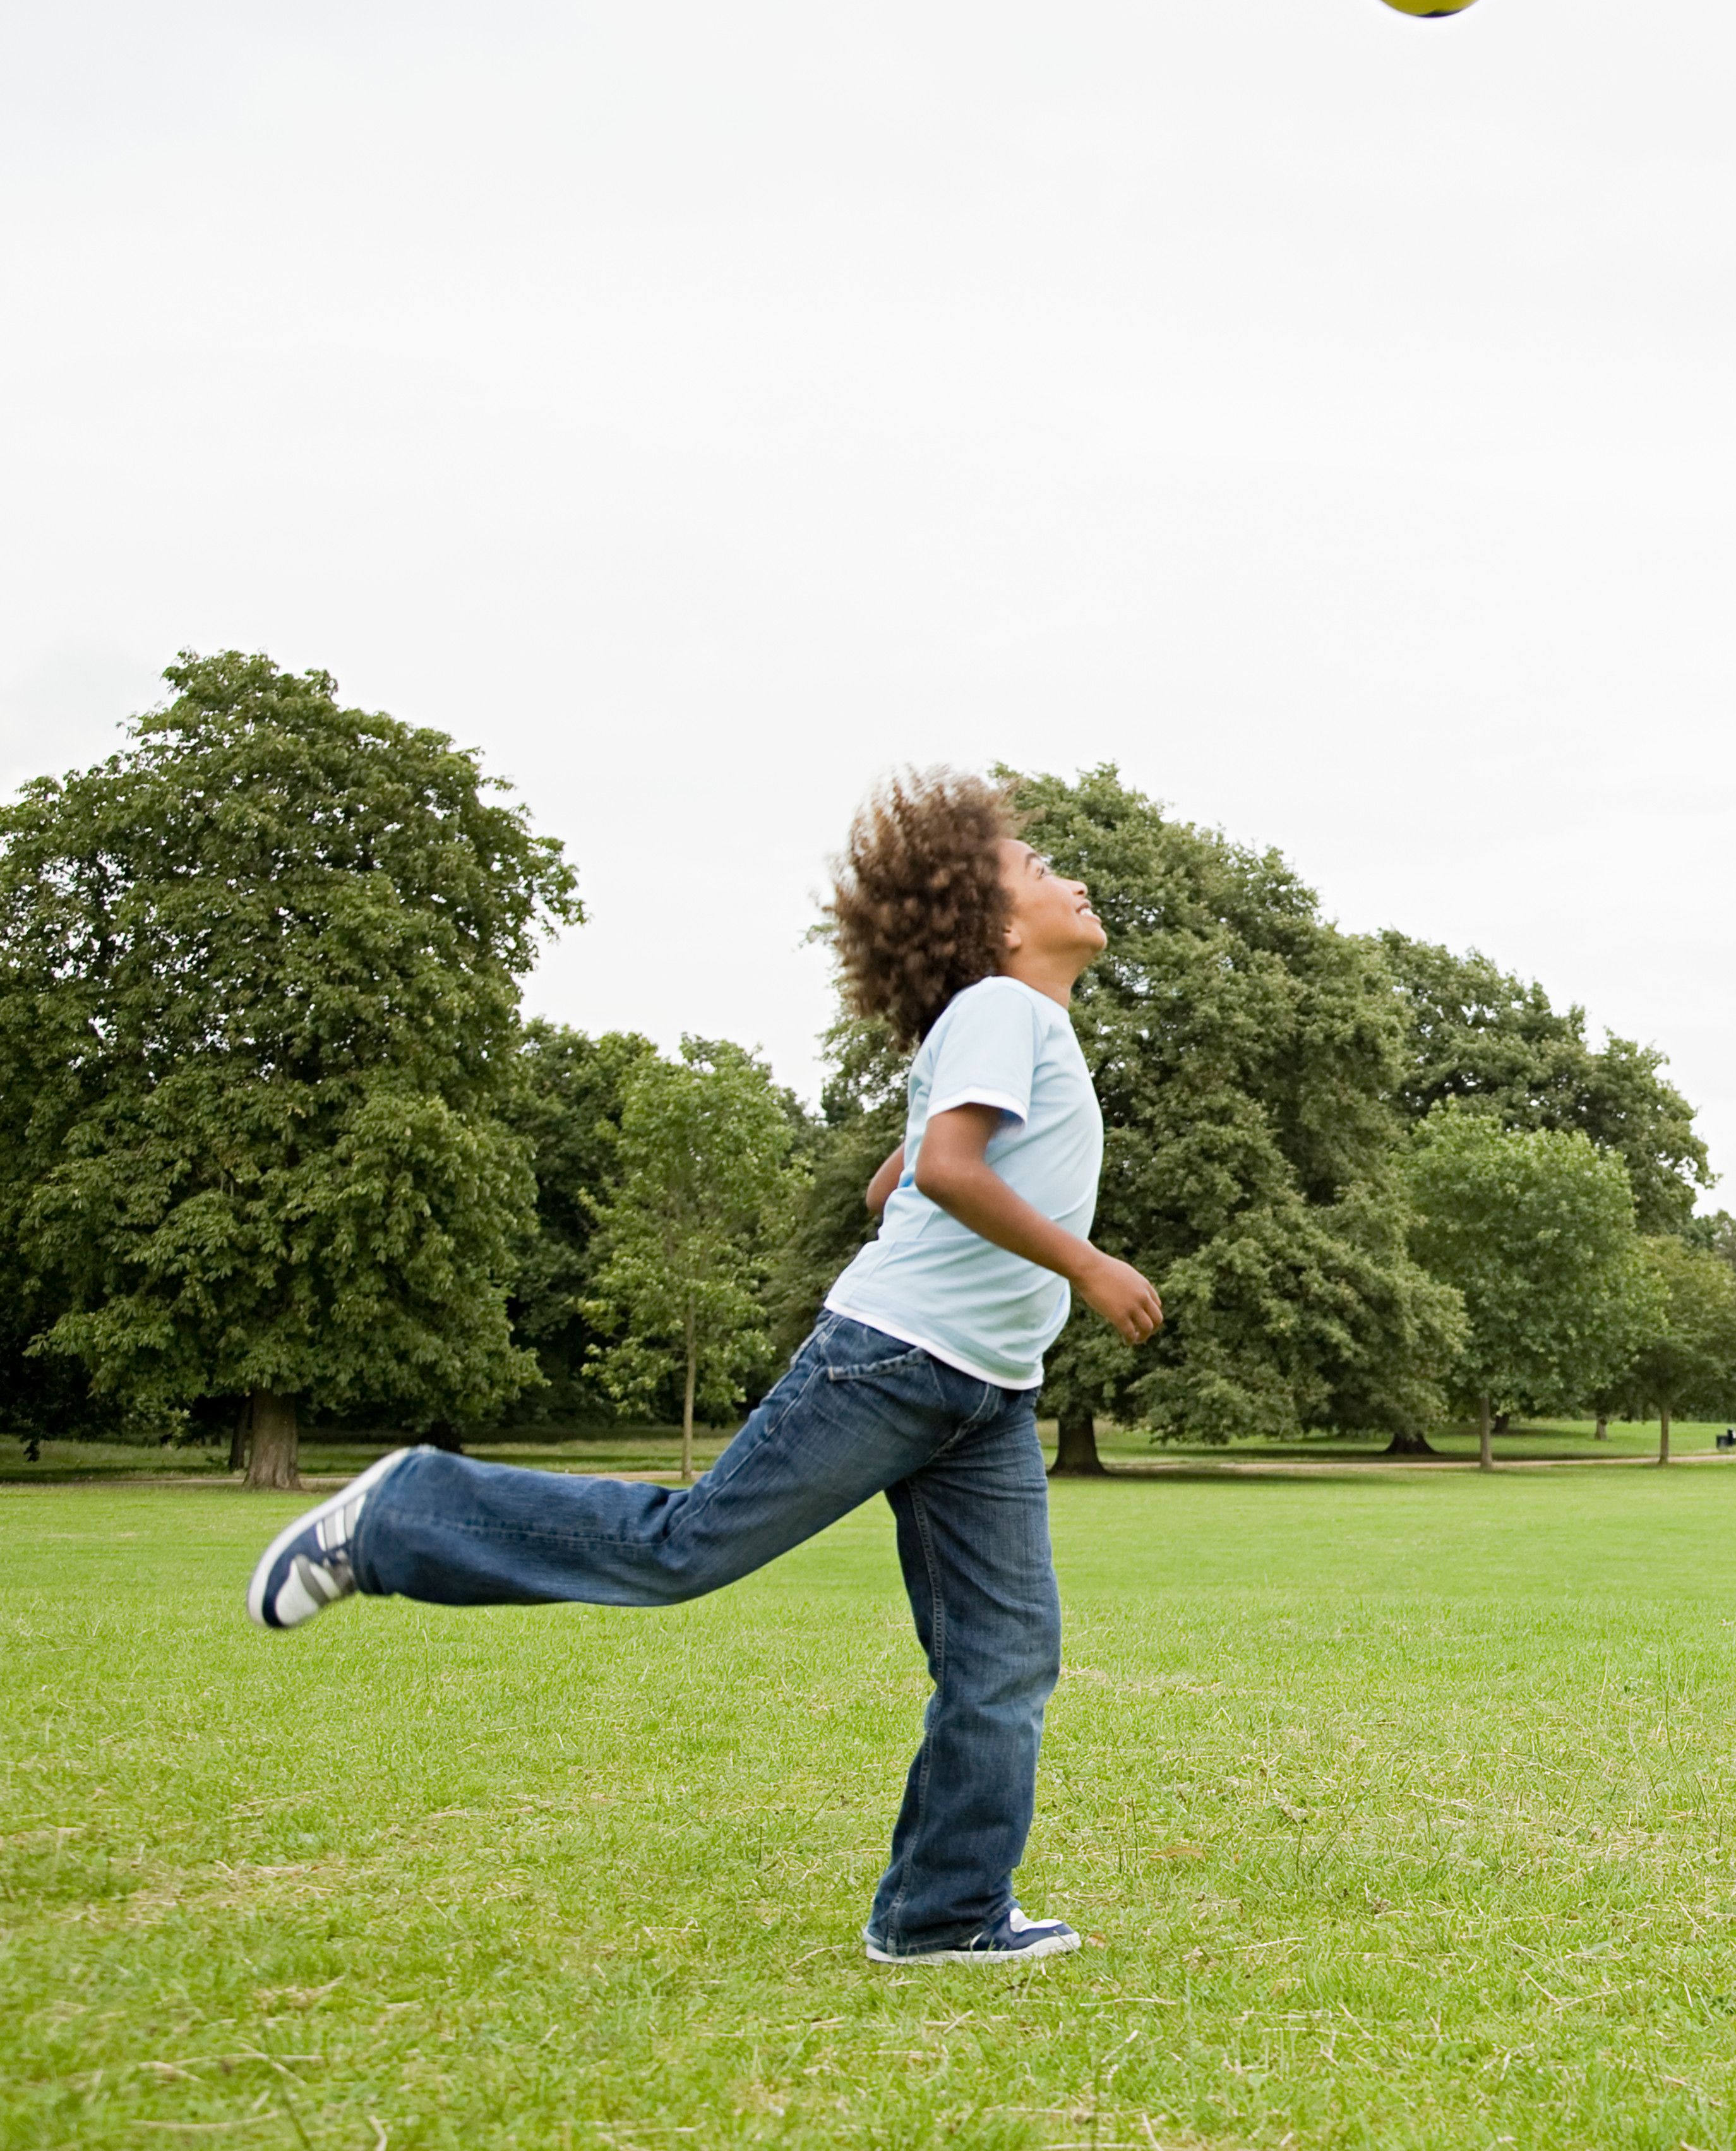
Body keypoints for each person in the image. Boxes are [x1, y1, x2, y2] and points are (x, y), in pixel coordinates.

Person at [246, 772, 1166, 1967]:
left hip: (983, 1392)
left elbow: (896, 1180)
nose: (1074, 880)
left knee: (1004, 1660)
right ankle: (400, 1514)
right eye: (1041, 871)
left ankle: (942, 1919)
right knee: (680, 1550)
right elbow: (942, 1169)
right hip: (896, 1366)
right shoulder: (1006, 1009)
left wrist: (945, 1201)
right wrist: (1087, 1268)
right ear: (993, 927)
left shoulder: (1010, 1026)